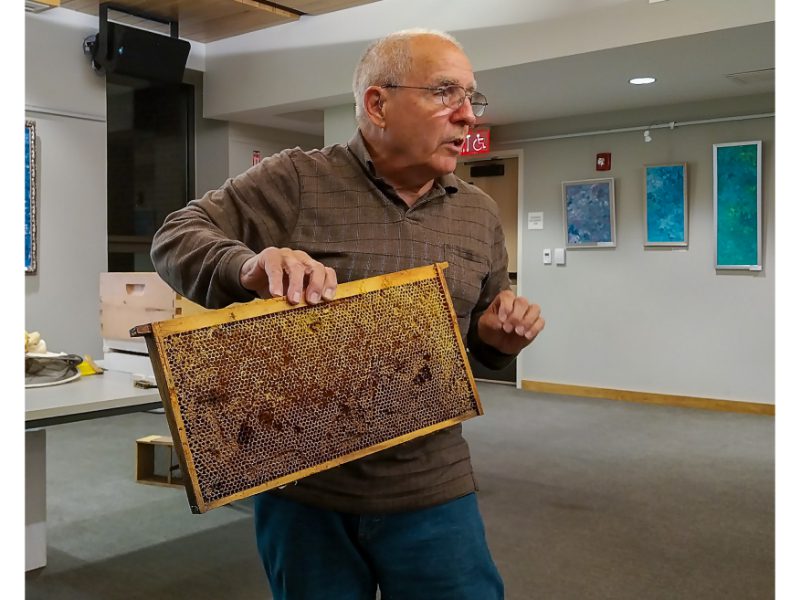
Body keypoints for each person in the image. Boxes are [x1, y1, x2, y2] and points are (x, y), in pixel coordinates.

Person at [151, 28, 545, 600]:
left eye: (472, 98)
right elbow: (174, 236)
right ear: (377, 104)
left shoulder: (478, 213)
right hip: (305, 492)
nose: (467, 116)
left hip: (432, 487)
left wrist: (500, 338)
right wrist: (249, 266)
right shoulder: (298, 179)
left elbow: (478, 344)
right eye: (445, 93)